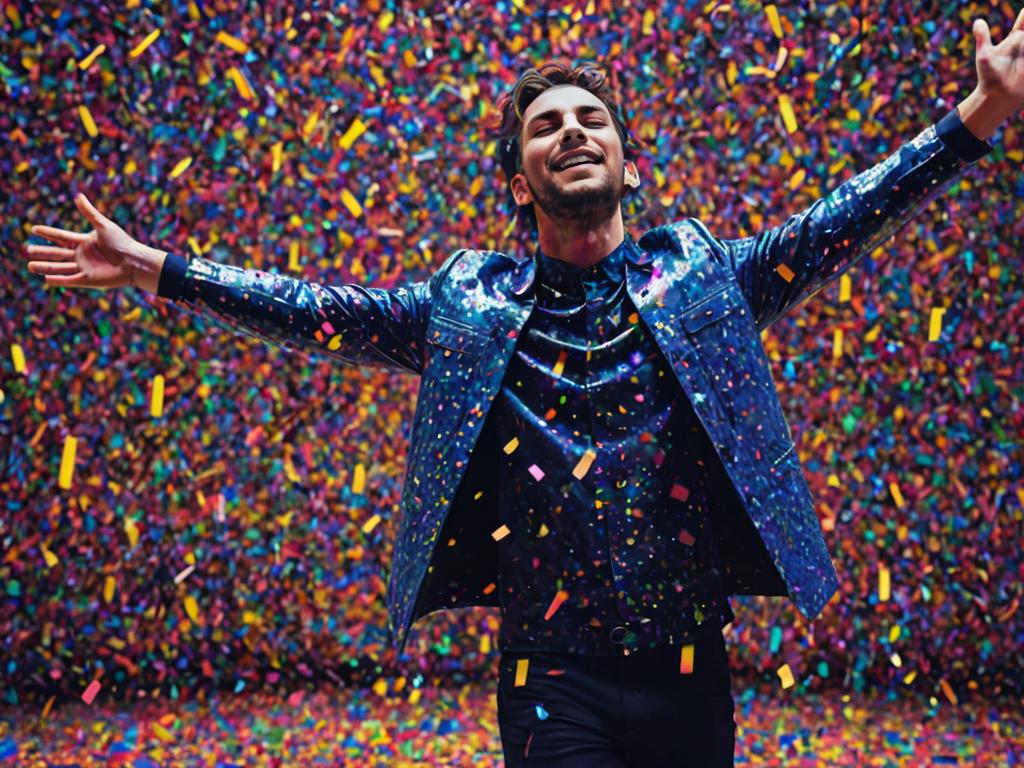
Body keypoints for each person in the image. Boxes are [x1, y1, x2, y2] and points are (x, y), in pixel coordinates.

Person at [23, 11, 1024, 766]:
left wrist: (978, 114)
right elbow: (310, 307)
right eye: (547, 127)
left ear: (629, 167)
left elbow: (845, 216)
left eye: (593, 120)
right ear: (519, 177)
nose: (573, 133)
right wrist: (160, 269)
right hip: (549, 673)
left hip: (687, 664)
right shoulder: (468, 305)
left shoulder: (709, 274)